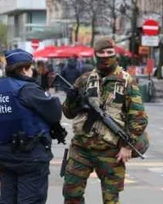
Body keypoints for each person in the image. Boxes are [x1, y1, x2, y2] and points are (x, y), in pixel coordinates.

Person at [62, 37, 149, 204]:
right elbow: (68, 113)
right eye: (101, 53)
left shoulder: (126, 81)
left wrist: (126, 146)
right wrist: (71, 100)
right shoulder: (85, 79)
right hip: (81, 149)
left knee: (111, 200)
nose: (106, 56)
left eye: (109, 52)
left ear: (115, 53)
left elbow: (138, 118)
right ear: (95, 55)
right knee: (71, 195)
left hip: (111, 150)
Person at [0, 48, 66, 204]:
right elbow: (55, 112)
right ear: (23, 69)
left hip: (3, 152)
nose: (32, 71)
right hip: (30, 154)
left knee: (7, 199)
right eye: (30, 68)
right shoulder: (27, 89)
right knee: (31, 200)